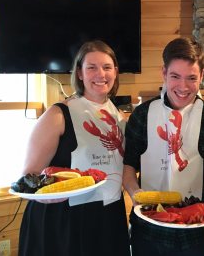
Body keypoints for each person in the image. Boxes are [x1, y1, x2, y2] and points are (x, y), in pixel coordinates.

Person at [18, 40, 131, 256]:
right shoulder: (58, 115)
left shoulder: (121, 118)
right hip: (63, 219)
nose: (101, 74)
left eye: (107, 67)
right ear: (79, 73)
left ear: (115, 72)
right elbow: (28, 175)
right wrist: (44, 194)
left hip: (108, 216)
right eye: (91, 67)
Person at [123, 37, 204, 256]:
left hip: (195, 230)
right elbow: (128, 167)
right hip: (148, 227)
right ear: (164, 73)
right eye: (175, 76)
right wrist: (135, 193)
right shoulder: (141, 115)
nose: (183, 87)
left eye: (191, 78)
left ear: (202, 75)